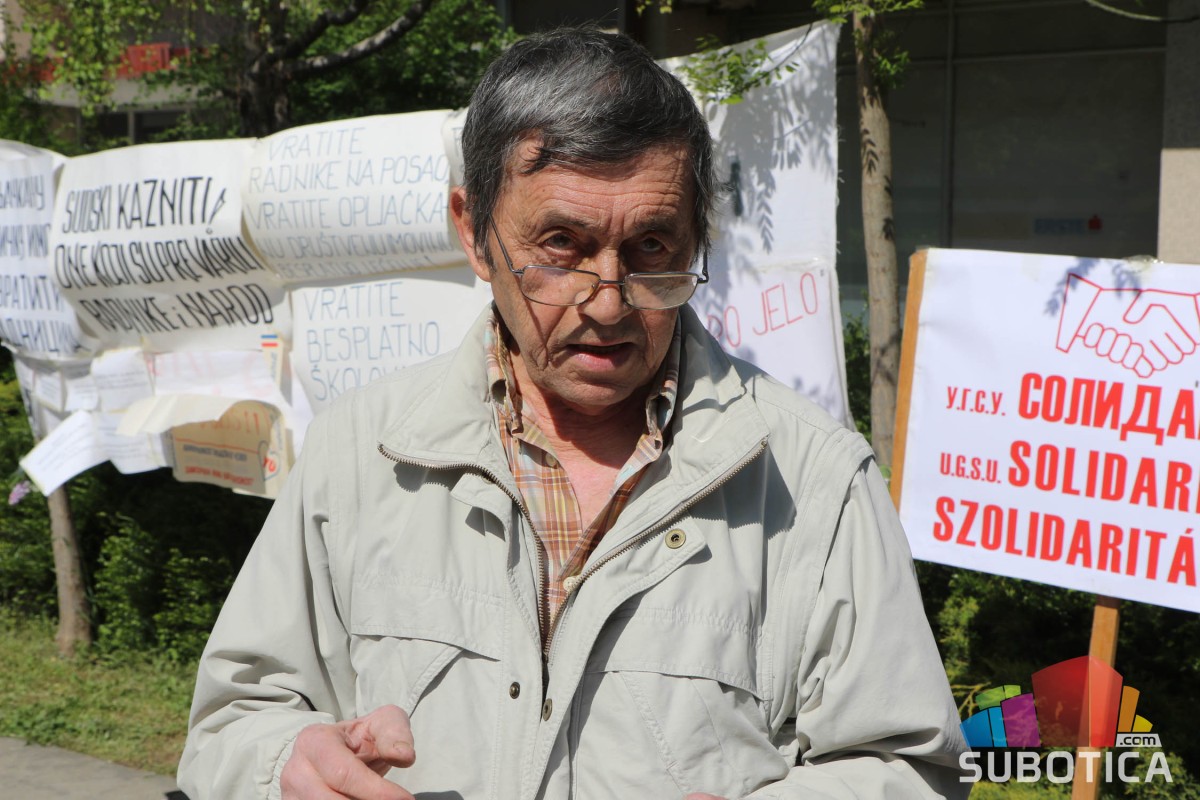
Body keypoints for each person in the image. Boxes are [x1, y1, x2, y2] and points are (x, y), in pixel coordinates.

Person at [178, 27, 968, 800]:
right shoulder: (361, 453)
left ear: (696, 236)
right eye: (560, 244)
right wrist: (286, 767)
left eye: (653, 247)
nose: (608, 302)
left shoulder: (814, 481)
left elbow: (912, 767)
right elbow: (232, 723)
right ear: (473, 233)